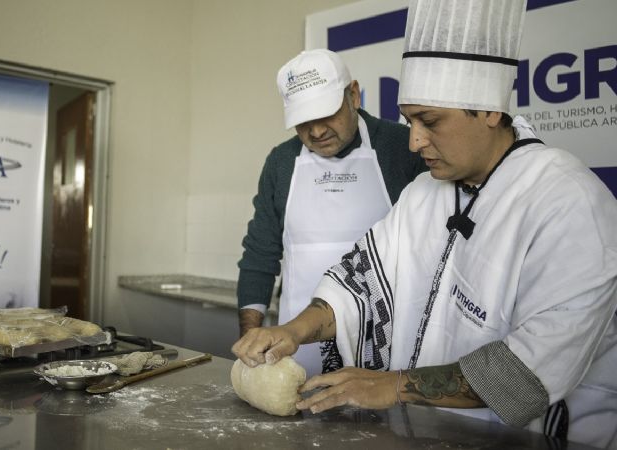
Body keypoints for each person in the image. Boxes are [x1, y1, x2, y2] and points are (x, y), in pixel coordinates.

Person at [232, 1, 617, 448]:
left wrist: (395, 386)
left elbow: (526, 376)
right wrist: (291, 331)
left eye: (429, 121)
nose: (415, 141)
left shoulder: (568, 201)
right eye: (410, 121)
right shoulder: (425, 193)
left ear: (490, 111)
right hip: (427, 435)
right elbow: (358, 287)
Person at [237, 49, 426, 378]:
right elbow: (259, 255)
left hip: (384, 351)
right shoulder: (281, 162)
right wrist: (250, 337)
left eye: (326, 114)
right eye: (303, 122)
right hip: (295, 349)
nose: (316, 132)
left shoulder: (402, 148)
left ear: (353, 95)